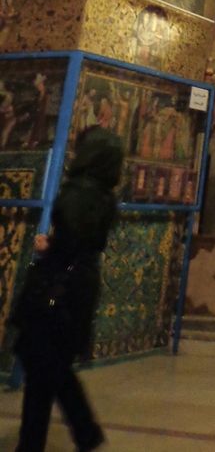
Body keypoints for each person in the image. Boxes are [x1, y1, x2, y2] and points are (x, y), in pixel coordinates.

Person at [11, 127, 124, 451]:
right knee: (53, 365)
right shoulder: (105, 194)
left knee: (42, 362)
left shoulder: (78, 190)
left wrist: (48, 245)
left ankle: (45, 440)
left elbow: (70, 239)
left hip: (58, 284)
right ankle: (83, 433)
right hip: (82, 283)